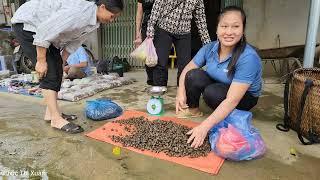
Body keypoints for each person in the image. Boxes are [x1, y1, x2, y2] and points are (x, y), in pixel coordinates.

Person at [11, 0, 123, 133]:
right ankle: (56, 119)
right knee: (50, 72)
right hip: (28, 24)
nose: (112, 21)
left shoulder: (94, 22)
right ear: (102, 7)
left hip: (44, 32)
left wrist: (61, 62)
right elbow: (45, 30)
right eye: (112, 16)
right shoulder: (80, 13)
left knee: (56, 68)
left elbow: (75, 43)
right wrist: (41, 61)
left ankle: (51, 113)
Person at [175, 6, 262, 148]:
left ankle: (226, 117)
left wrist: (204, 127)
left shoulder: (248, 57)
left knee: (212, 93)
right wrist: (180, 92)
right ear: (217, 29)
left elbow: (232, 100)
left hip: (245, 97)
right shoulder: (209, 48)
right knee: (193, 75)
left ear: (243, 29)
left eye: (235, 26)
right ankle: (193, 110)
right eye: (224, 26)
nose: (229, 32)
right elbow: (187, 70)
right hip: (220, 85)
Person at [146, 0, 211, 91]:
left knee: (185, 64)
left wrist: (207, 43)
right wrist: (150, 34)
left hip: (184, 32)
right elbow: (156, 8)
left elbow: (201, 19)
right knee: (161, 61)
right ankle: (159, 88)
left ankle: (181, 88)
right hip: (164, 28)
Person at [134, 0, 154, 85]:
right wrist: (138, 32)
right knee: (147, 53)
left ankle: (158, 78)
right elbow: (139, 13)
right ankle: (150, 77)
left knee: (159, 53)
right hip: (146, 26)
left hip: (160, 27)